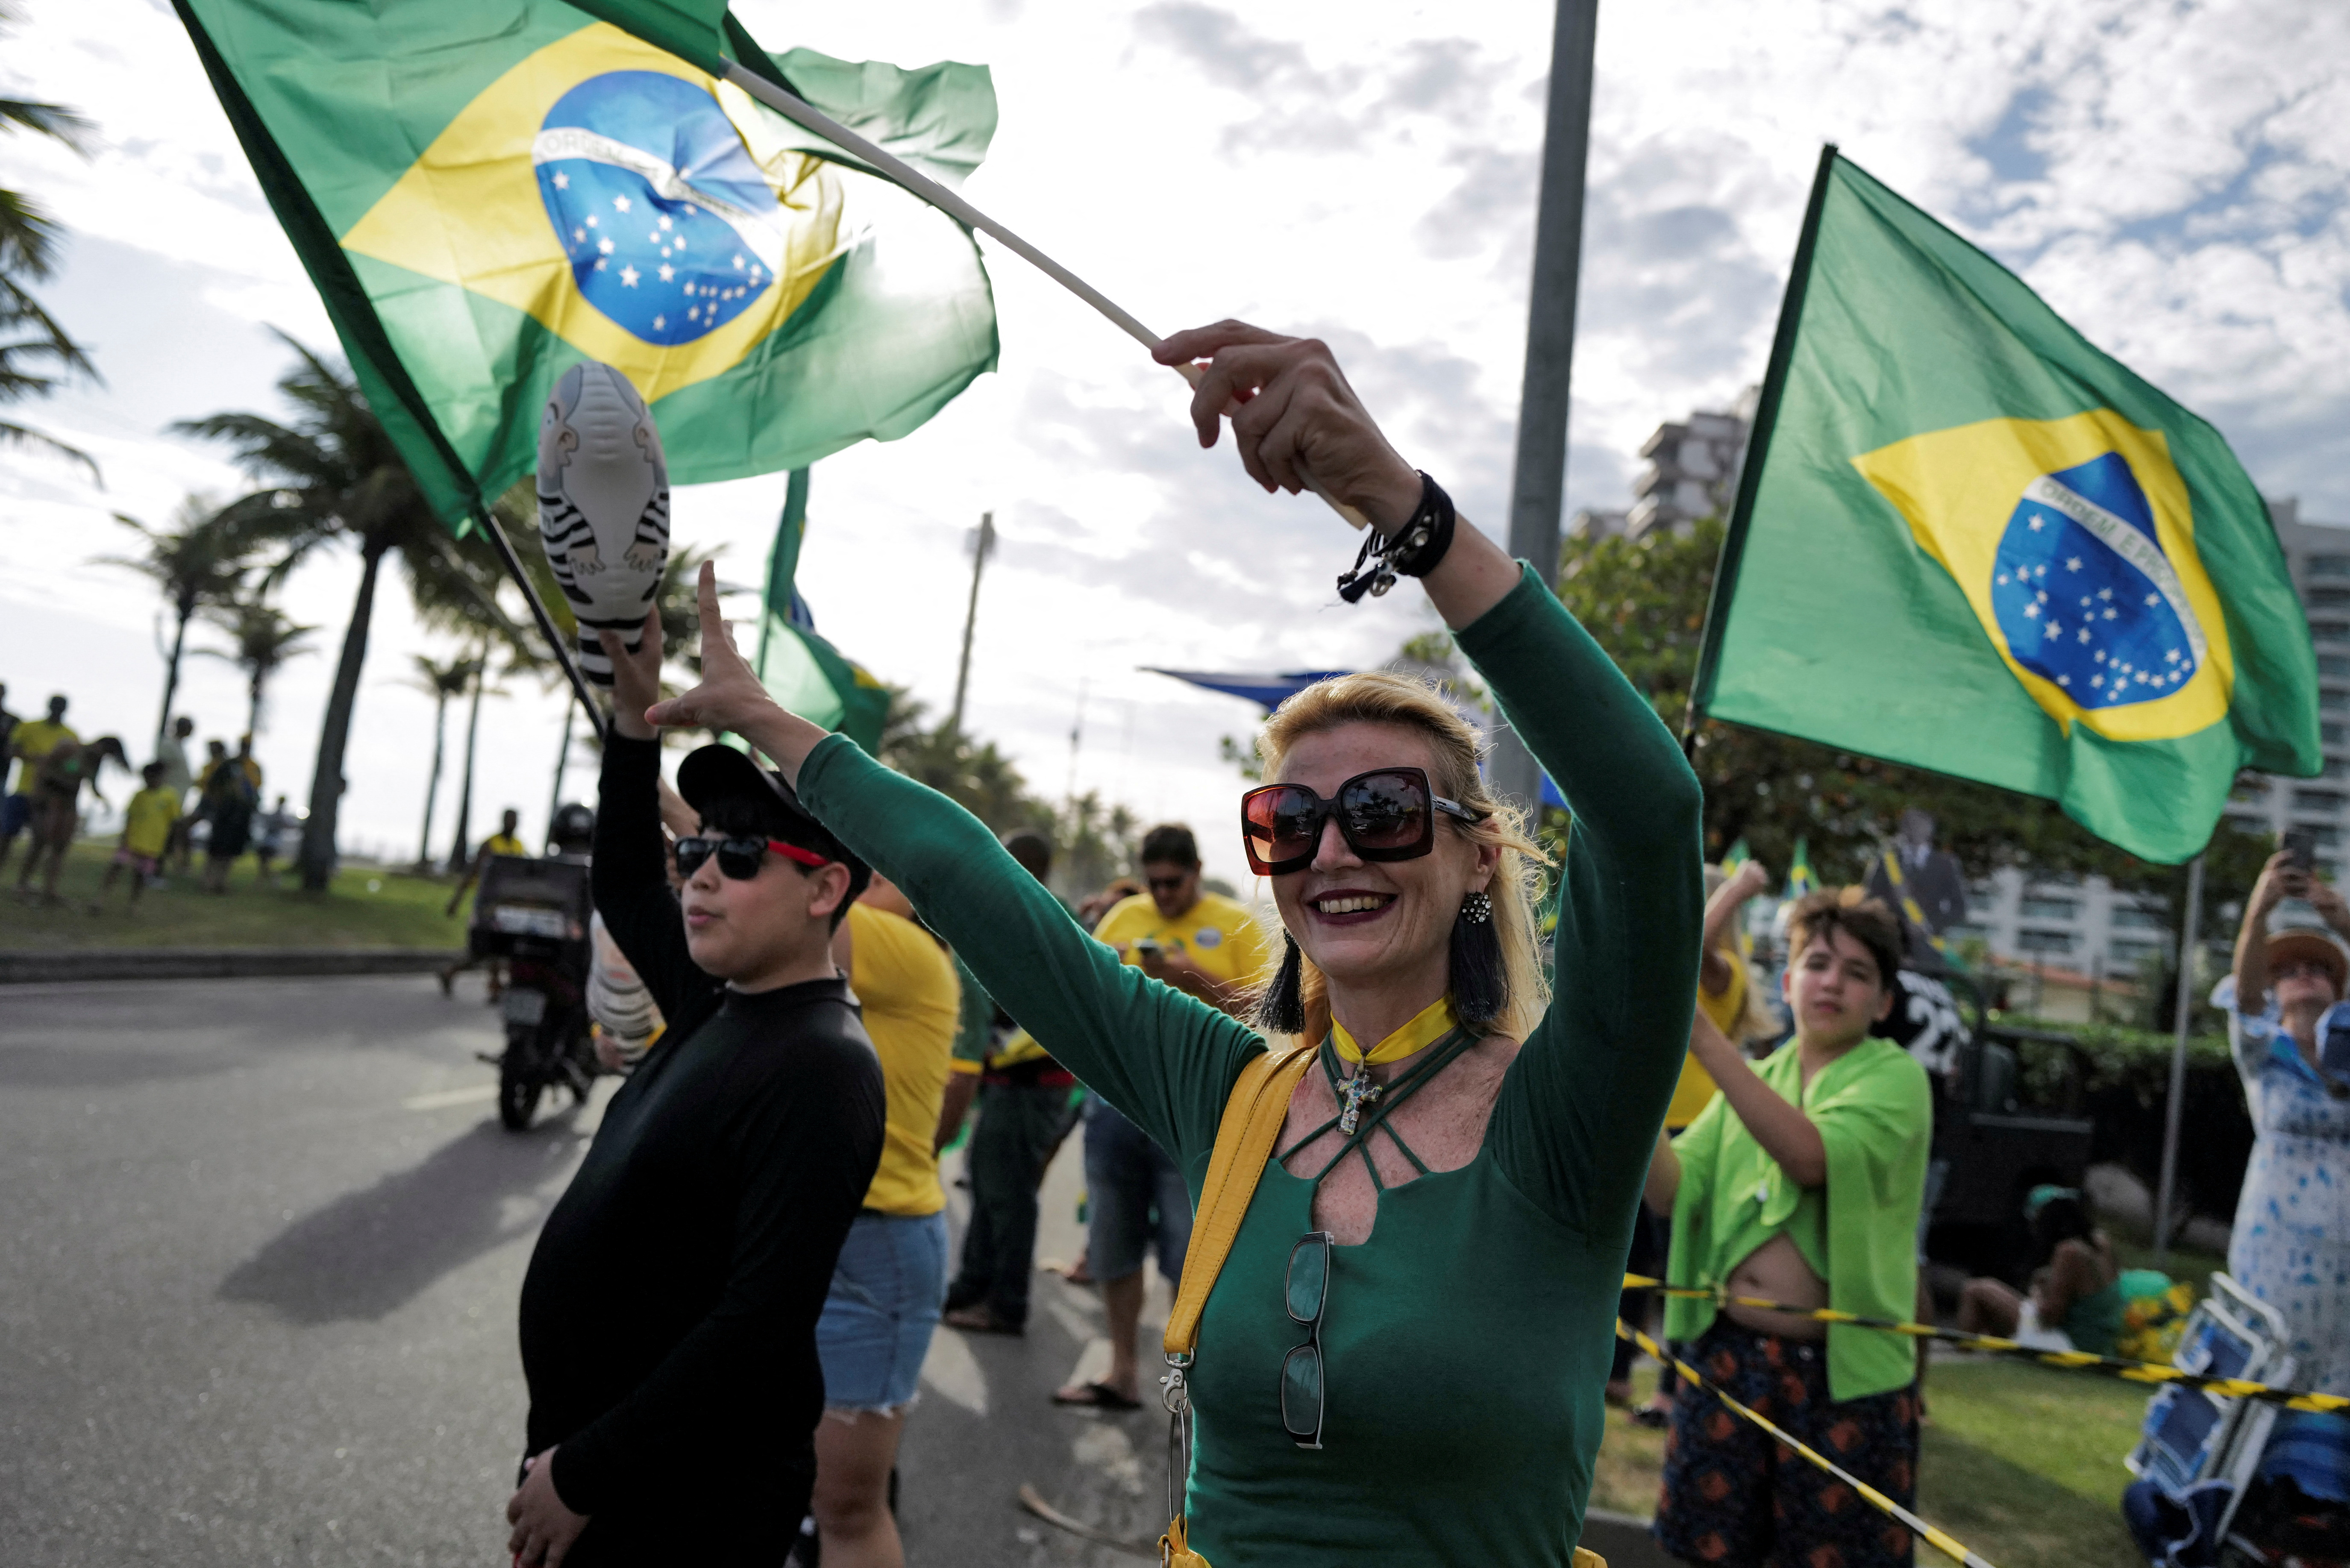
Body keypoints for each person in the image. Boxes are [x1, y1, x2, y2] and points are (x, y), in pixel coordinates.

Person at [634, 318, 1703, 1565]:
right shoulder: (1229, 1085)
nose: (1334, 852)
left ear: (1479, 858)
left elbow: (1648, 809)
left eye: (1383, 811)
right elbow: (991, 896)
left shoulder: (1569, 1109)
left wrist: (1403, 514)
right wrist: (778, 727)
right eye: (1288, 820)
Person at [503, 643, 887, 1568]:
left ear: (825, 888)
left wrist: (586, 1471)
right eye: (699, 847)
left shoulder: (823, 1065)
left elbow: (760, 1321)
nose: (703, 871)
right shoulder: (722, 996)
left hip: (678, 1492)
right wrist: (633, 720)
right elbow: (626, 881)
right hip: (599, 1458)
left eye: (742, 853)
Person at [1644, 891, 1932, 1568]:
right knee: (1709, 1554)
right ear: (1788, 980)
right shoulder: (1758, 1078)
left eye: (1858, 973)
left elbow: (1806, 1158)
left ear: (1884, 1003)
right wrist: (1637, 1091)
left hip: (1843, 1380)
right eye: (1818, 962)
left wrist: (1702, 1035)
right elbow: (1672, 1191)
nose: (1833, 981)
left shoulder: (1898, 1078)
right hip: (1727, 1359)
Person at [1057, 824, 1272, 1410]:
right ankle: (1123, 1369)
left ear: (1197, 870)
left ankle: (1199, 1391)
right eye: (1153, 882)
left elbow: (1268, 1008)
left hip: (1198, 1109)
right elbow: (1085, 989)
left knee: (1192, 1249)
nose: (1163, 894)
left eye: (1173, 883)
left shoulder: (1234, 921)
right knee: (1111, 1238)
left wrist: (1188, 975)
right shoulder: (1124, 916)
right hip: (1118, 1100)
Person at [805, 873, 960, 1568]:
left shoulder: (903, 948)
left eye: (869, 863)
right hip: (796, 1233)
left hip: (873, 1248)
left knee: (846, 1510)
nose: (846, 876)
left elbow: (788, 912)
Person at [1611, 857, 1773, 1424]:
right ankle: (1617, 1373)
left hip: (1697, 1130)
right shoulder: (1696, 967)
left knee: (1681, 1265)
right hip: (1657, 1128)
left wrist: (1739, 887)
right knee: (1631, 1258)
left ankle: (1672, 1392)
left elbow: (1693, 938)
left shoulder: (1718, 969)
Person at [938, 827, 1084, 1337]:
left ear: (1022, 863)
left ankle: (1006, 1302)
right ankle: (972, 1283)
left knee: (1010, 1192)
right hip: (1009, 1079)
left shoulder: (1040, 916)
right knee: (986, 1180)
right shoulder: (1028, 910)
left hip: (1032, 1080)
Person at [2215, 851, 2350, 1395]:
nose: (2304, 975)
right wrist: (2259, 910)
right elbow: (2245, 996)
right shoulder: (2262, 1053)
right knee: (2266, 1357)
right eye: (2288, 970)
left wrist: (2341, 920)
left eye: (2318, 968)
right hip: (2273, 1241)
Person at [1955, 1186, 2189, 1361]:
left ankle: (1962, 1357)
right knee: (2002, 1303)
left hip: (2072, 1345)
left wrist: (2038, 1293)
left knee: (1977, 1289)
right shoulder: (2100, 1242)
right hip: (2102, 1343)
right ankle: (1998, 1353)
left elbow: (2050, 1318)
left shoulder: (2069, 1252)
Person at [15, 733, 126, 905]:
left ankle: (49, 890)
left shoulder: (95, 761)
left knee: (60, 847)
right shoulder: (70, 748)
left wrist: (105, 802)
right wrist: (38, 797)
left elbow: (92, 784)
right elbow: (44, 766)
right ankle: (22, 884)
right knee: (40, 841)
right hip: (49, 799)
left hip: (68, 804)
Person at [442, 808, 531, 1000]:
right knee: (482, 949)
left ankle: (495, 988)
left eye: (515, 821)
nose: (512, 824)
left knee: (500, 947)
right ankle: (452, 972)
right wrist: (456, 901)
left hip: (507, 904)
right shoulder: (490, 845)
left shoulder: (519, 846)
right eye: (510, 820)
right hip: (487, 904)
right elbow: (472, 873)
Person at [1, 693, 75, 877]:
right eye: (55, 705)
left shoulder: (71, 736)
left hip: (49, 797)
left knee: (40, 840)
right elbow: (11, 751)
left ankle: (24, 882)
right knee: (6, 836)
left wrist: (56, 767)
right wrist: (37, 759)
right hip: (24, 790)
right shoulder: (28, 727)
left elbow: (73, 766)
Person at [95, 761, 182, 913]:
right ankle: (101, 899)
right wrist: (124, 836)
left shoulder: (169, 796)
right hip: (132, 841)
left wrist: (173, 845)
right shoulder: (139, 795)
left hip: (153, 845)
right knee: (115, 868)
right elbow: (130, 816)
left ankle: (133, 904)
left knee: (140, 876)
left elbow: (174, 822)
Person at [196, 738, 260, 895]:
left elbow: (256, 790)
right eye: (244, 746)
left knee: (231, 850)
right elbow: (213, 785)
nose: (246, 749)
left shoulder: (254, 767)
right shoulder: (230, 765)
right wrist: (218, 803)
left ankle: (221, 882)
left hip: (242, 814)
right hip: (226, 812)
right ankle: (208, 881)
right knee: (216, 848)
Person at [156, 716, 198, 875]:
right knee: (166, 836)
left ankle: (161, 869)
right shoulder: (169, 745)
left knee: (172, 836)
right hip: (168, 800)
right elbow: (162, 769)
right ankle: (155, 870)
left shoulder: (180, 747)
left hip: (178, 800)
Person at [253, 794, 297, 887]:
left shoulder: (280, 815)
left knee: (265, 864)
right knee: (264, 864)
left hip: (272, 842)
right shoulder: (279, 814)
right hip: (269, 841)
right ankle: (265, 882)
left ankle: (270, 880)